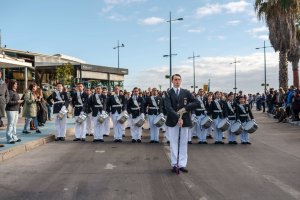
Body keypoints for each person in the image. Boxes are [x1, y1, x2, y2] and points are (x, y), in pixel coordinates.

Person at [164, 74, 199, 173]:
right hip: (173, 121)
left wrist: (185, 108)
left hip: (185, 121)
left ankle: (182, 164)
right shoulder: (168, 93)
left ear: (181, 81)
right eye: (175, 79)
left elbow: (197, 102)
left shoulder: (186, 92)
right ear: (172, 81)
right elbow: (168, 107)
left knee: (183, 143)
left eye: (179, 80)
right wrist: (177, 117)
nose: (177, 81)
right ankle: (175, 164)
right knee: (173, 143)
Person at [5, 80, 23, 144]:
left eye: (16, 84)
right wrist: (17, 102)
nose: (16, 85)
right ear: (11, 85)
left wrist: (19, 105)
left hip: (15, 110)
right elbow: (8, 102)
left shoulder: (15, 92)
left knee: (14, 124)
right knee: (10, 124)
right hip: (10, 110)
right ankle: (9, 139)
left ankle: (14, 137)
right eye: (15, 84)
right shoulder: (9, 92)